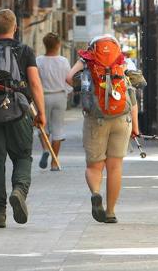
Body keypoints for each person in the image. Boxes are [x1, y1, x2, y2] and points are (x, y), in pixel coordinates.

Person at [0, 9, 46, 228]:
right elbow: (34, 83)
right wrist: (40, 112)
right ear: (14, 27)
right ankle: (19, 190)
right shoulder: (24, 51)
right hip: (19, 110)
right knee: (23, 156)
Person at [66, 34, 139, 224]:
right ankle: (111, 212)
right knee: (115, 167)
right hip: (121, 118)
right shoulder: (124, 61)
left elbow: (68, 78)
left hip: (95, 118)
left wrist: (85, 84)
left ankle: (96, 193)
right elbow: (133, 94)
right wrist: (136, 127)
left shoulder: (87, 60)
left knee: (94, 166)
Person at [35, 32, 72, 171]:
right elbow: (68, 80)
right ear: (58, 45)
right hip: (59, 96)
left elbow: (35, 81)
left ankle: (45, 148)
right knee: (58, 129)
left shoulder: (38, 61)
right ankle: (54, 163)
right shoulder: (63, 61)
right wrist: (67, 92)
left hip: (43, 96)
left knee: (42, 126)